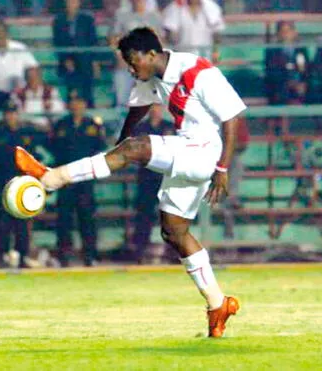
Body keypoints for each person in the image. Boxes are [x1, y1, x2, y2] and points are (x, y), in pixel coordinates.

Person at [15, 27, 242, 337]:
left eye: (134, 61)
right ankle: (218, 304)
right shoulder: (150, 77)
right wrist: (120, 146)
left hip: (205, 151)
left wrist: (223, 168)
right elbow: (138, 110)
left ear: (152, 54)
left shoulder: (198, 72)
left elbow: (232, 118)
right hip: (186, 148)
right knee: (174, 232)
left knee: (136, 149)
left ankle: (52, 177)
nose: (131, 69)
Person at [0, 101, 47, 268]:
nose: (11, 116)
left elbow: (33, 158)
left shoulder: (26, 133)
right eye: (8, 113)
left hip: (22, 182)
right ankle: (0, 254)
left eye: (13, 113)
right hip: (2, 182)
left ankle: (23, 254)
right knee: (1, 220)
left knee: (22, 221)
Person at [50, 94, 107, 267]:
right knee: (64, 218)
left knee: (87, 217)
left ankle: (90, 255)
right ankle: (63, 255)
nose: (76, 105)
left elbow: (100, 148)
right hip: (65, 178)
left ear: (84, 104)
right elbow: (53, 147)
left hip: (85, 179)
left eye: (79, 101)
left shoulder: (92, 125)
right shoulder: (61, 124)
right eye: (73, 101)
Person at [130, 104, 173, 262]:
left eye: (158, 107)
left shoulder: (169, 127)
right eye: (152, 107)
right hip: (146, 176)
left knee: (169, 215)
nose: (155, 110)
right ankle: (140, 250)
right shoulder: (141, 128)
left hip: (165, 177)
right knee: (143, 215)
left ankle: (173, 251)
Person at [108, 0, 162, 106]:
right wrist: (120, 56)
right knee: (123, 99)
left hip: (148, 65)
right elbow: (112, 39)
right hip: (127, 64)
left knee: (152, 98)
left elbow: (159, 41)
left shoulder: (154, 17)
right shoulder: (121, 15)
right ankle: (122, 120)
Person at [52, 0, 100, 107]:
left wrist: (94, 62)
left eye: (74, 2)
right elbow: (57, 43)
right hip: (67, 62)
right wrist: (65, 59)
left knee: (87, 86)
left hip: (85, 61)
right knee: (72, 85)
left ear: (79, 3)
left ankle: (90, 111)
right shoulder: (58, 20)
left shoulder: (87, 19)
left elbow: (93, 41)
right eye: (69, 2)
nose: (71, 4)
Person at [264, 21, 309, 105]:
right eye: (283, 32)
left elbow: (306, 68)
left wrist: (303, 82)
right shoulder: (272, 50)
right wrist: (289, 83)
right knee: (280, 90)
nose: (286, 34)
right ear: (278, 34)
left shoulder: (301, 49)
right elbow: (271, 71)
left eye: (288, 31)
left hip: (298, 82)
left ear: (294, 33)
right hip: (281, 83)